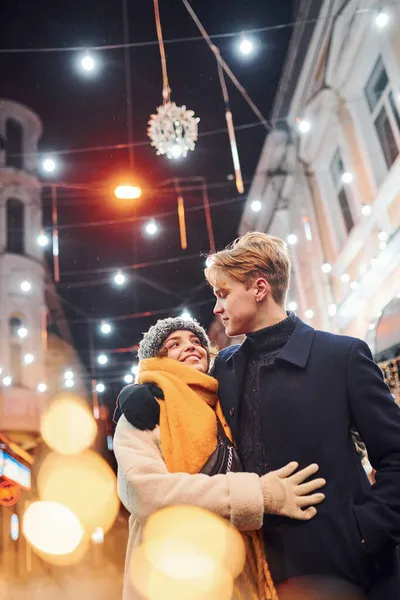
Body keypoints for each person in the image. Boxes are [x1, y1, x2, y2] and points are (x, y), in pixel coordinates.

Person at [116, 233, 400, 599]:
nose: (216, 309)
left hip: (348, 571)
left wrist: (365, 531)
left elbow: (395, 456)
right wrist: (134, 393)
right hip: (259, 575)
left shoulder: (341, 356)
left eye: (223, 294)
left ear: (259, 288)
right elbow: (179, 389)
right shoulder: (225, 370)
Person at [113, 316, 326, 600]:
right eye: (174, 344)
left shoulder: (227, 405)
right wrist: (257, 495)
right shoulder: (143, 414)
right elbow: (146, 493)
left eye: (196, 341)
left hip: (238, 571)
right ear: (155, 361)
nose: (190, 347)